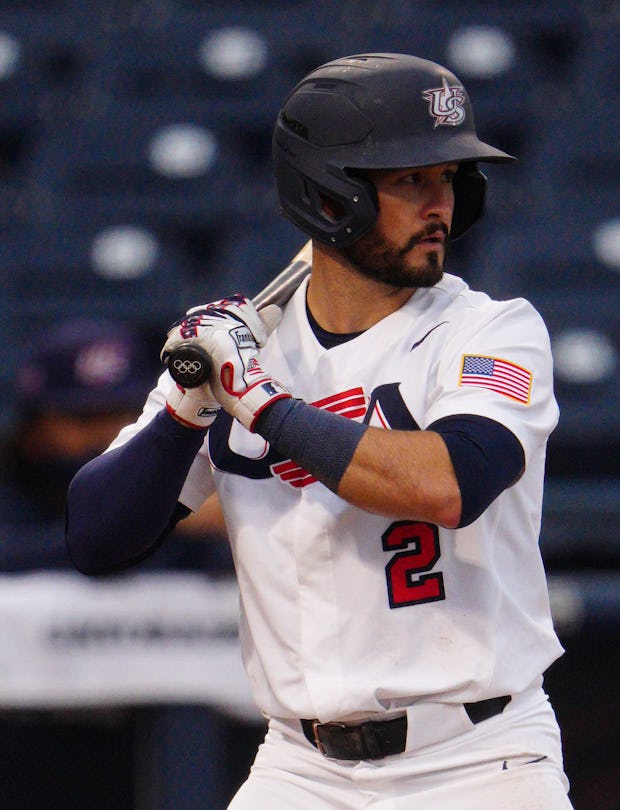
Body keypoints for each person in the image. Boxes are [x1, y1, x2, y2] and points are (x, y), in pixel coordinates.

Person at [66, 53, 573, 808]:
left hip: (477, 759)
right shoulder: (247, 349)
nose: (441, 203)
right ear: (329, 194)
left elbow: (448, 483)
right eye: (411, 180)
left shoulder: (491, 331)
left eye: (449, 179)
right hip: (299, 768)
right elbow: (97, 536)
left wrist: (261, 403)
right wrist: (186, 410)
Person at [0, 317, 228, 572]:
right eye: (85, 418)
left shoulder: (171, 481)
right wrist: (145, 519)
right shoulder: (12, 490)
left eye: (122, 412)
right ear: (36, 423)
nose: (105, 433)